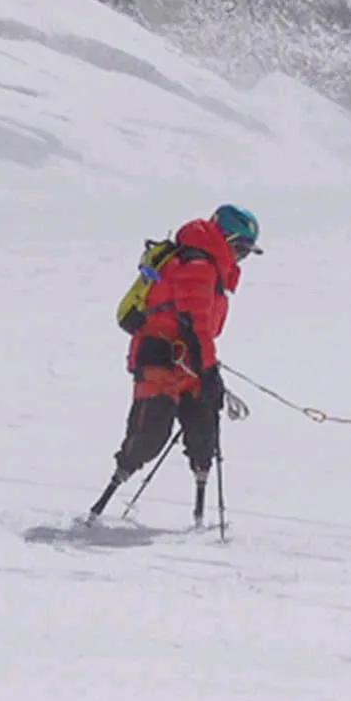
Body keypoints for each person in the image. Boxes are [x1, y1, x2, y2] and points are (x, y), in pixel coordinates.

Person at [90, 205, 261, 521]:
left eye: (247, 252)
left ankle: (198, 510)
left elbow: (202, 330)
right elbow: (193, 321)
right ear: (226, 238)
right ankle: (102, 504)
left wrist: (207, 367)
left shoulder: (210, 267)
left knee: (203, 430)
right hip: (159, 356)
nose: (242, 258)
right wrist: (208, 369)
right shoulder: (198, 265)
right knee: (149, 433)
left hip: (188, 359)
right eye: (241, 249)